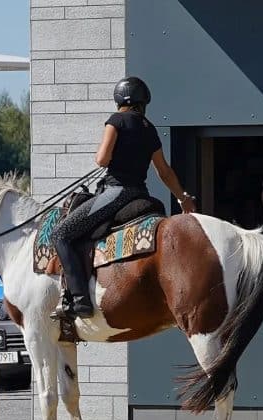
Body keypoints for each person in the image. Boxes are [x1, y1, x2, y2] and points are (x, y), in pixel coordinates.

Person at [51, 76, 197, 320]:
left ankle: (79, 300)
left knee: (61, 234)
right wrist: (182, 198)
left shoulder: (116, 120)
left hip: (116, 192)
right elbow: (164, 171)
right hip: (140, 192)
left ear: (119, 101)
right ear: (143, 103)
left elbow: (102, 159)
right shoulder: (149, 129)